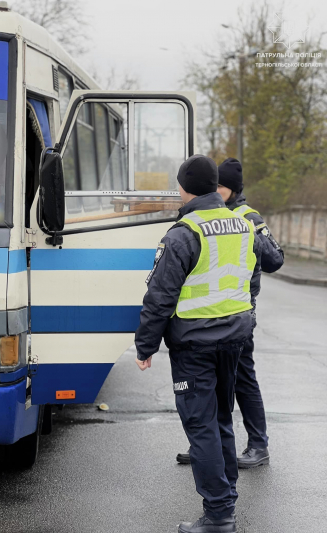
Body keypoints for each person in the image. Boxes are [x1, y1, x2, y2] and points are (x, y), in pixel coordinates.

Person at [135, 154, 262, 533]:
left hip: (195, 343)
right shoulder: (241, 224)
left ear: (184, 188)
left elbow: (160, 296)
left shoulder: (184, 232)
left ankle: (220, 514)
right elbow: (252, 275)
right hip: (235, 338)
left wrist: (145, 346)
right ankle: (228, 500)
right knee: (222, 418)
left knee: (201, 426)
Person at [176, 158, 284, 469]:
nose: (213, 190)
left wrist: (250, 236)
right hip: (212, 313)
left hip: (237, 312)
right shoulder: (209, 214)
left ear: (232, 190)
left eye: (219, 186)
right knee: (209, 381)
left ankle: (258, 444)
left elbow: (275, 259)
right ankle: (207, 445)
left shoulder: (246, 216)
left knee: (243, 379)